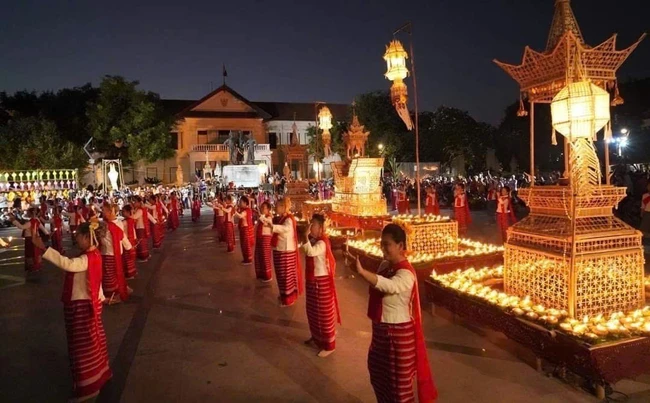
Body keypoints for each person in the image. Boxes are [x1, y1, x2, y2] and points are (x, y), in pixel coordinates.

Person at [346, 224, 437, 403]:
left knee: (398, 389)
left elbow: (390, 286)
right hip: (381, 331)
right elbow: (378, 284)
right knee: (379, 376)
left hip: (398, 336)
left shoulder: (406, 274)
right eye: (381, 244)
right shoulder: (385, 265)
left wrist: (363, 272)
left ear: (400, 246)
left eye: (387, 244)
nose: (382, 248)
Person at [34, 221, 112, 401]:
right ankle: (99, 374)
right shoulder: (94, 254)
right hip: (89, 304)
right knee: (92, 342)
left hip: (82, 307)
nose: (75, 237)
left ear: (86, 237)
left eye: (78, 235)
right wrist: (101, 298)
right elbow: (95, 281)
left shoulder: (87, 258)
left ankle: (89, 387)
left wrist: (45, 249)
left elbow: (69, 264)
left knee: (82, 347)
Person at [300, 214, 340, 358]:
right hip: (312, 280)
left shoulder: (322, 243)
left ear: (321, 228)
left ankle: (329, 344)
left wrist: (305, 236)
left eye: (314, 225)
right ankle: (316, 337)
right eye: (311, 224)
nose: (311, 227)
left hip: (320, 282)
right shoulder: (315, 240)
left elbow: (310, 252)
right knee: (312, 311)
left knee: (323, 313)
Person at [268, 197, 302, 307]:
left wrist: (272, 226)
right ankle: (283, 295)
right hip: (280, 249)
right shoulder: (282, 218)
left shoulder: (289, 219)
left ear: (284, 207)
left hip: (286, 251)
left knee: (286, 276)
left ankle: (288, 298)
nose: (276, 208)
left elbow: (284, 229)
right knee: (281, 275)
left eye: (278, 206)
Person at [100, 205, 132, 305]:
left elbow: (122, 236)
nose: (102, 213)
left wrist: (129, 247)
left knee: (110, 275)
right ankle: (119, 290)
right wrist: (129, 247)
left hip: (109, 254)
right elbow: (123, 237)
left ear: (110, 212)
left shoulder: (109, 225)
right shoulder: (116, 223)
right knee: (116, 273)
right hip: (116, 254)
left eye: (104, 211)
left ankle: (112, 294)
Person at [11, 207, 50, 272]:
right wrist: (47, 234)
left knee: (30, 253)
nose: (27, 213)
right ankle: (37, 265)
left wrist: (14, 221)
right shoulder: (36, 221)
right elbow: (43, 229)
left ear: (31, 213)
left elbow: (22, 227)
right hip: (36, 238)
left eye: (28, 212)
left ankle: (32, 266)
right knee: (36, 252)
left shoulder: (30, 222)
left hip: (30, 239)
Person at [132, 196, 156, 262]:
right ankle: (146, 255)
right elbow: (149, 216)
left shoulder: (140, 210)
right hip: (142, 227)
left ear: (139, 202)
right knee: (143, 243)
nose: (134, 203)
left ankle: (143, 257)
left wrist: (129, 214)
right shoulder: (141, 209)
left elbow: (134, 217)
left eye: (135, 202)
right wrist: (155, 222)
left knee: (141, 243)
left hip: (140, 228)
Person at [254, 201, 274, 282]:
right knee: (259, 256)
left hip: (266, 238)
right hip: (260, 238)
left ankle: (267, 276)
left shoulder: (269, 217)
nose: (262, 209)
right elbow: (257, 225)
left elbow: (264, 221)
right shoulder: (262, 217)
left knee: (265, 256)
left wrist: (259, 215)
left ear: (268, 209)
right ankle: (261, 274)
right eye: (261, 207)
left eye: (264, 208)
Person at [233, 195, 254, 265]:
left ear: (245, 203)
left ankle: (248, 259)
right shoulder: (243, 210)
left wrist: (234, 211)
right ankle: (245, 258)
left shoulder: (246, 210)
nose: (240, 203)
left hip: (245, 229)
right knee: (243, 245)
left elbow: (240, 216)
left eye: (241, 202)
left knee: (246, 245)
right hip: (243, 229)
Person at [121, 205, 138, 279]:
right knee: (131, 257)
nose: (122, 212)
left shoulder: (124, 222)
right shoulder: (131, 220)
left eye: (124, 211)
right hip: (132, 240)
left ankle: (129, 273)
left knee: (127, 258)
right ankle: (132, 271)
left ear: (128, 212)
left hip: (127, 241)